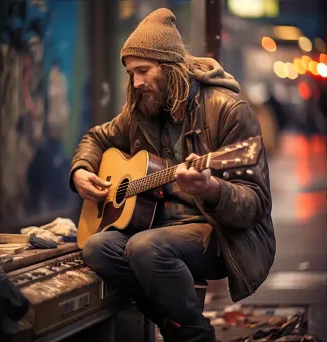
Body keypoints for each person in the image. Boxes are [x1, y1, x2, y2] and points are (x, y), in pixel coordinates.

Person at [70, 8, 275, 342]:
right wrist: (81, 170)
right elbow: (97, 138)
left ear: (169, 67)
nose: (135, 83)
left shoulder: (227, 110)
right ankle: (179, 325)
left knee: (145, 248)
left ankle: (192, 335)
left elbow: (256, 203)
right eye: (130, 73)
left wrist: (212, 189)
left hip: (221, 235)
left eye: (142, 71)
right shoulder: (142, 111)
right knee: (97, 247)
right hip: (155, 229)